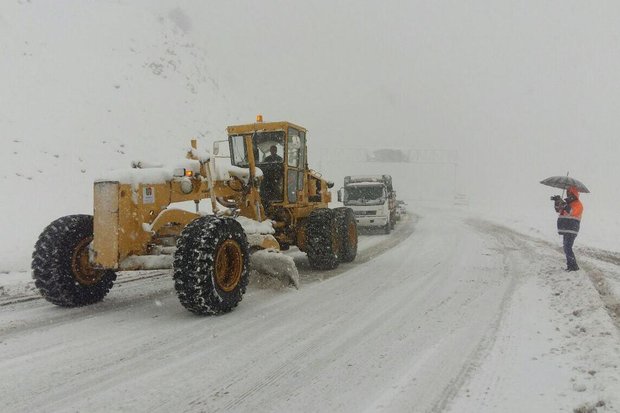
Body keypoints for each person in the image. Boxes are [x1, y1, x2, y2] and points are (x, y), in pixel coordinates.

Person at [552, 186, 583, 271]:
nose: (568, 194)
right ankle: (571, 265)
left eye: (570, 193)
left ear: (574, 194)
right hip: (566, 228)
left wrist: (565, 205)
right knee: (566, 247)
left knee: (567, 247)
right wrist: (557, 202)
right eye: (567, 193)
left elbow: (572, 212)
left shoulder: (578, 204)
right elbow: (559, 211)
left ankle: (573, 266)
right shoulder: (567, 203)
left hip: (572, 228)